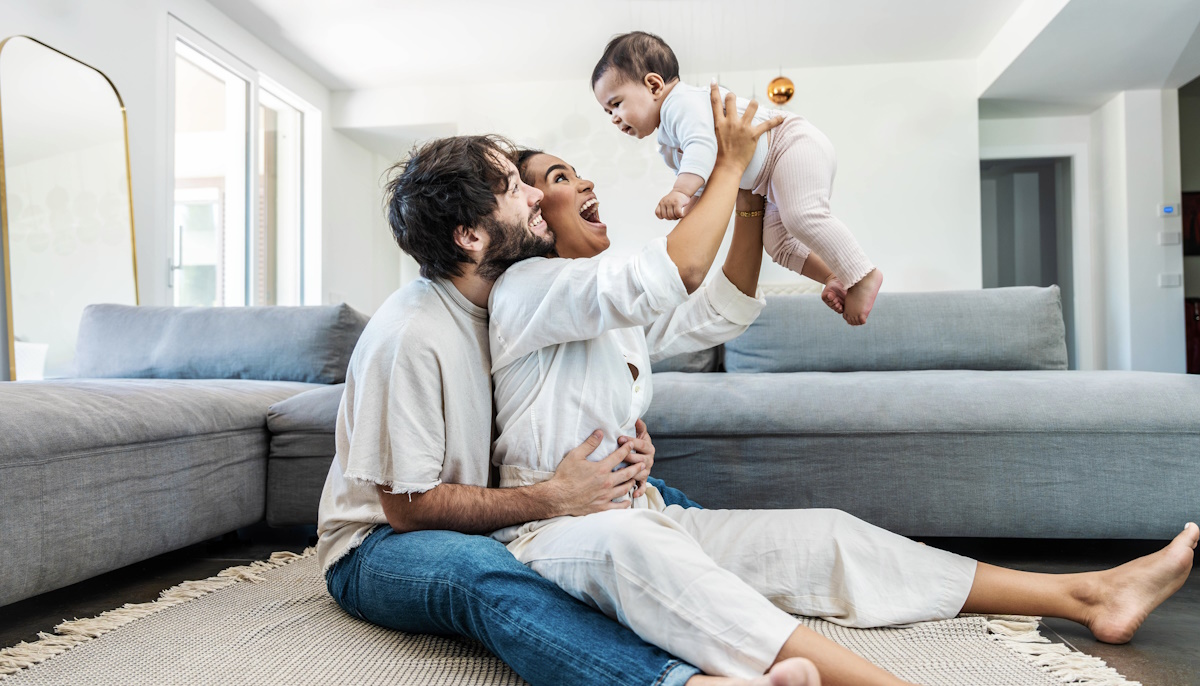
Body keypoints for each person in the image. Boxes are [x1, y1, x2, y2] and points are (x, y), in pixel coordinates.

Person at [482, 82, 1198, 686]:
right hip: (555, 537)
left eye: (575, 171)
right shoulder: (530, 287)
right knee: (640, 554)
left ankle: (1089, 591)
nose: (584, 182)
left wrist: (757, 189)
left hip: (646, 516)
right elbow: (678, 271)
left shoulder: (607, 311)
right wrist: (729, 165)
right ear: (529, 218)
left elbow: (718, 306)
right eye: (558, 178)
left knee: (829, 537)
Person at [315, 128, 817, 686]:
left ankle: (742, 620)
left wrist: (621, 454)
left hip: (494, 507)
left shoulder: (513, 298)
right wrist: (552, 497)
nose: (535, 197)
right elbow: (407, 510)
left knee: (660, 515)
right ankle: (681, 682)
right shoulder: (409, 334)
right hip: (376, 544)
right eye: (513, 187)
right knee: (486, 577)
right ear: (470, 237)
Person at [591, 30, 881, 325]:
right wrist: (691, 203)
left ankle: (863, 274)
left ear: (654, 85)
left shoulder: (680, 104)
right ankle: (835, 276)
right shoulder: (666, 145)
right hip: (768, 178)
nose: (613, 117)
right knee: (777, 244)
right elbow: (705, 180)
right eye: (606, 111)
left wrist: (679, 191)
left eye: (616, 104)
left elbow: (701, 147)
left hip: (788, 143)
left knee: (802, 216)